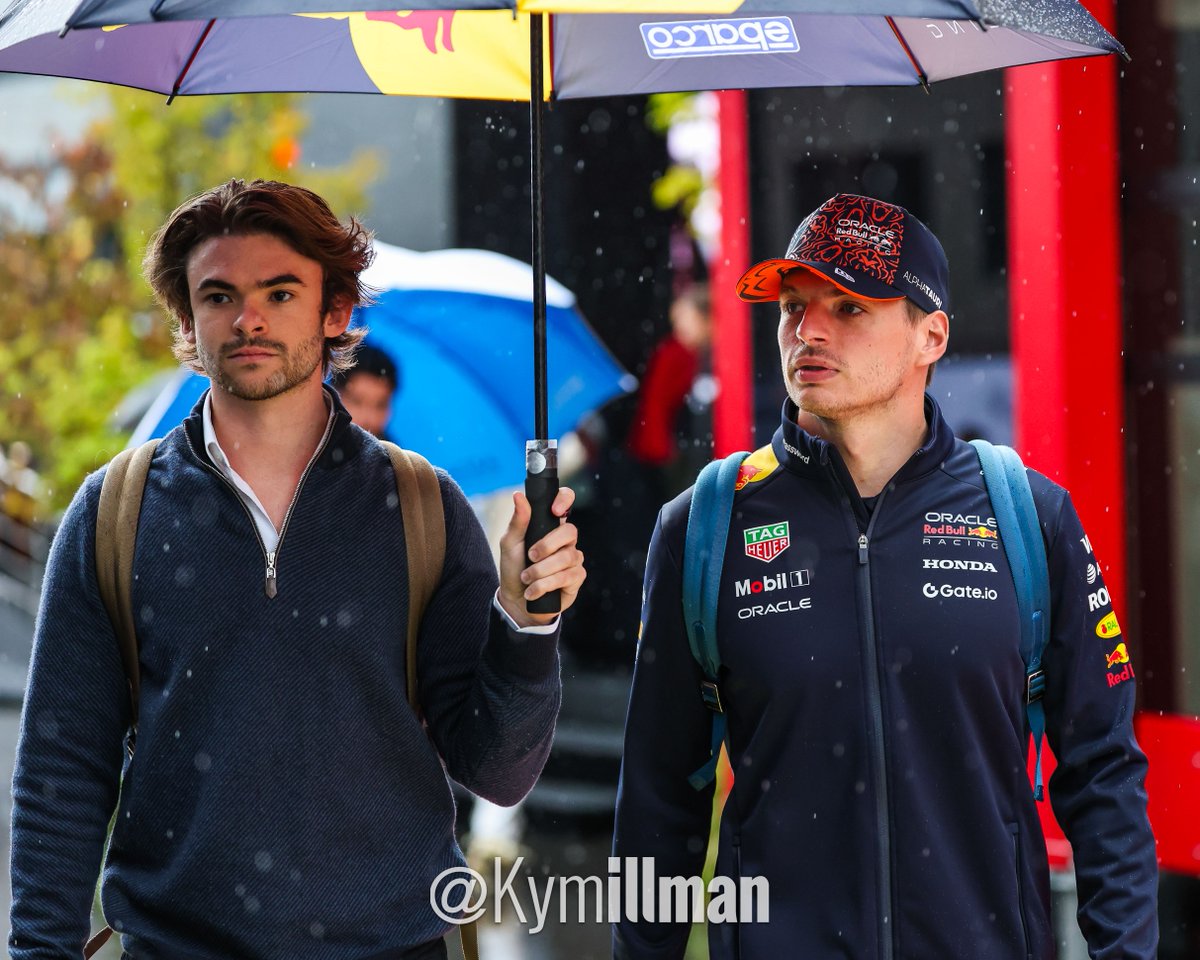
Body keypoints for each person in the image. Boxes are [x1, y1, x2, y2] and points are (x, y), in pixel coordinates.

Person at [9, 178, 586, 960]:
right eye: (219, 295)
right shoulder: (115, 513)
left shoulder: (422, 508)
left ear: (336, 311)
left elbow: (499, 769)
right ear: (187, 318)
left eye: (280, 293)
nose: (248, 319)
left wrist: (525, 621)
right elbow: (60, 775)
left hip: (394, 948)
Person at [612, 193, 1157, 959]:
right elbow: (656, 805)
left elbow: (1103, 775)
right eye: (793, 306)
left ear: (930, 335)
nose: (808, 330)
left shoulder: (1030, 517)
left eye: (848, 305)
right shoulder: (705, 526)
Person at [331, 342, 399, 440]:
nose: (368, 418)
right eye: (357, 401)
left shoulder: (394, 454)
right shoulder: (307, 444)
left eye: (380, 405)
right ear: (334, 393)